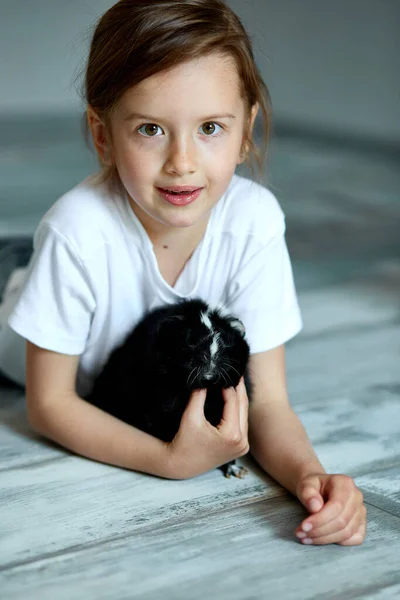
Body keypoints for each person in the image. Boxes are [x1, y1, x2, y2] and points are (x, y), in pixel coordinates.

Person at [0, 0, 366, 546]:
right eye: (150, 129)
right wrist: (168, 460)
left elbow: (267, 402)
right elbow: (50, 404)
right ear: (103, 137)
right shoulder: (75, 231)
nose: (182, 162)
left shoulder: (254, 222)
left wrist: (309, 478)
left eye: (211, 128)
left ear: (247, 131)